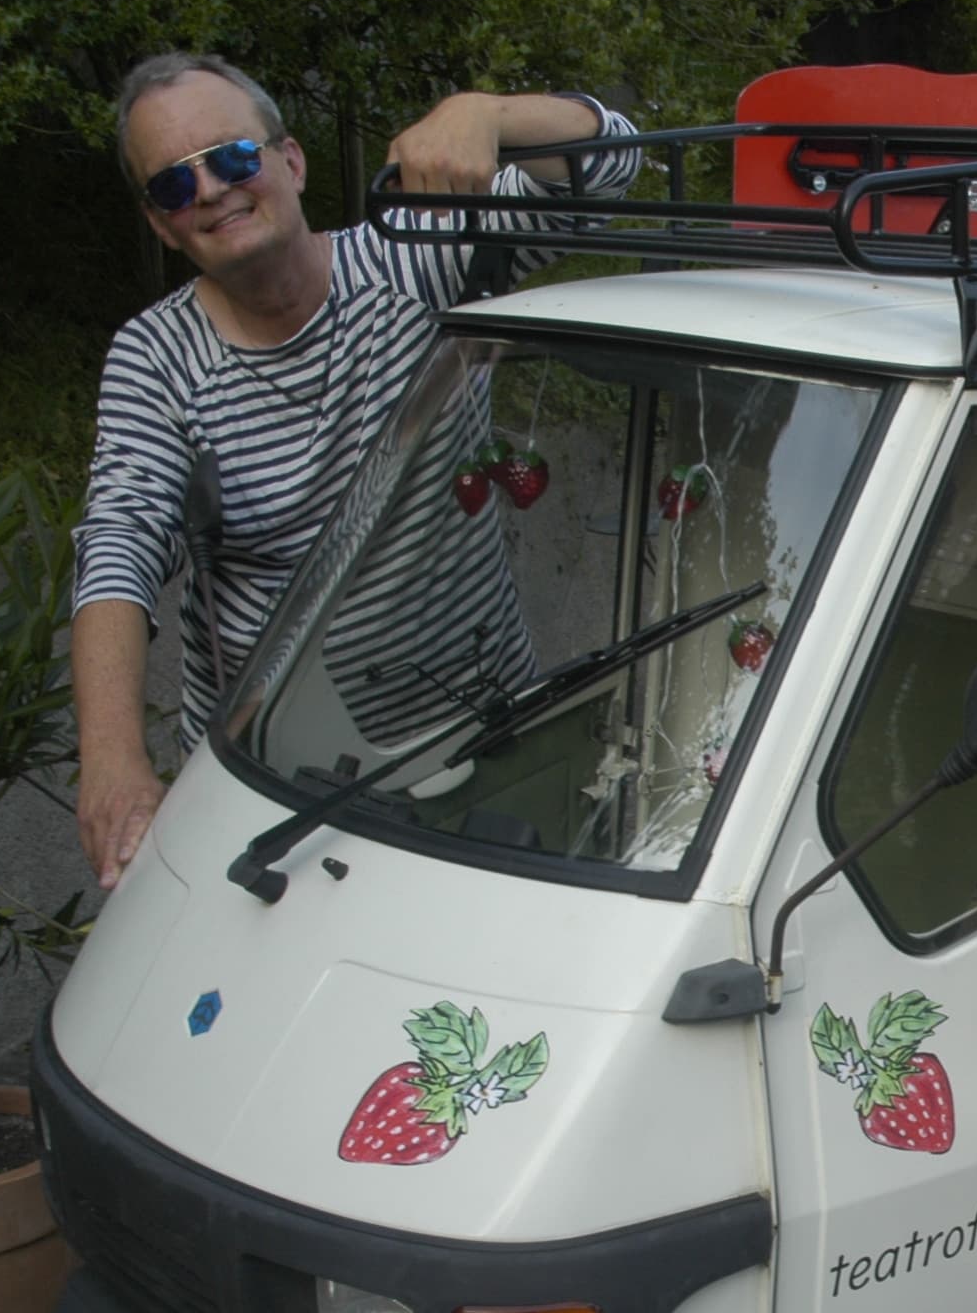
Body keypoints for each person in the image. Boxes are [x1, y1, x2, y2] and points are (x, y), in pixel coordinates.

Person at [70, 52, 637, 889]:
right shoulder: (155, 358)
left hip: (485, 730)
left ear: (290, 162)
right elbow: (119, 546)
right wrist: (113, 760)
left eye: (232, 158)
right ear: (161, 224)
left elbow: (611, 169)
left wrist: (492, 115)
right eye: (173, 186)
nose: (214, 192)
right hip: (279, 781)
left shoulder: (412, 260)